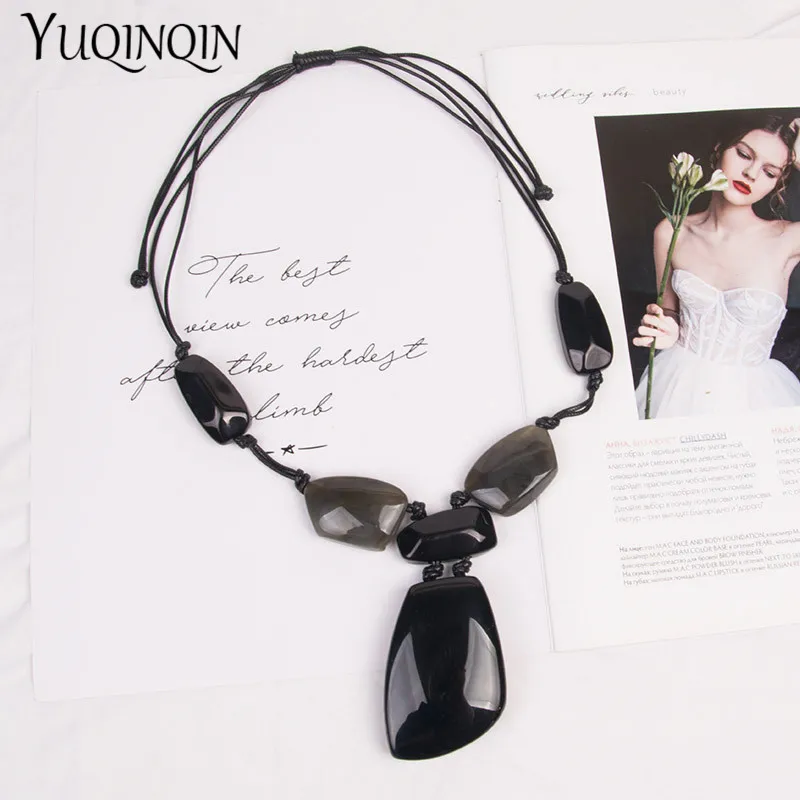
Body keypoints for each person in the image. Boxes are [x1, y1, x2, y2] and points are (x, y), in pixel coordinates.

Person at [633, 114, 800, 419]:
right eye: (744, 155)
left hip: (756, 398)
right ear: (718, 150)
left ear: (778, 182)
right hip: (678, 386)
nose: (750, 173)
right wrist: (665, 328)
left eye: (769, 172)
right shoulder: (672, 231)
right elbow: (668, 311)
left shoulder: (788, 238)